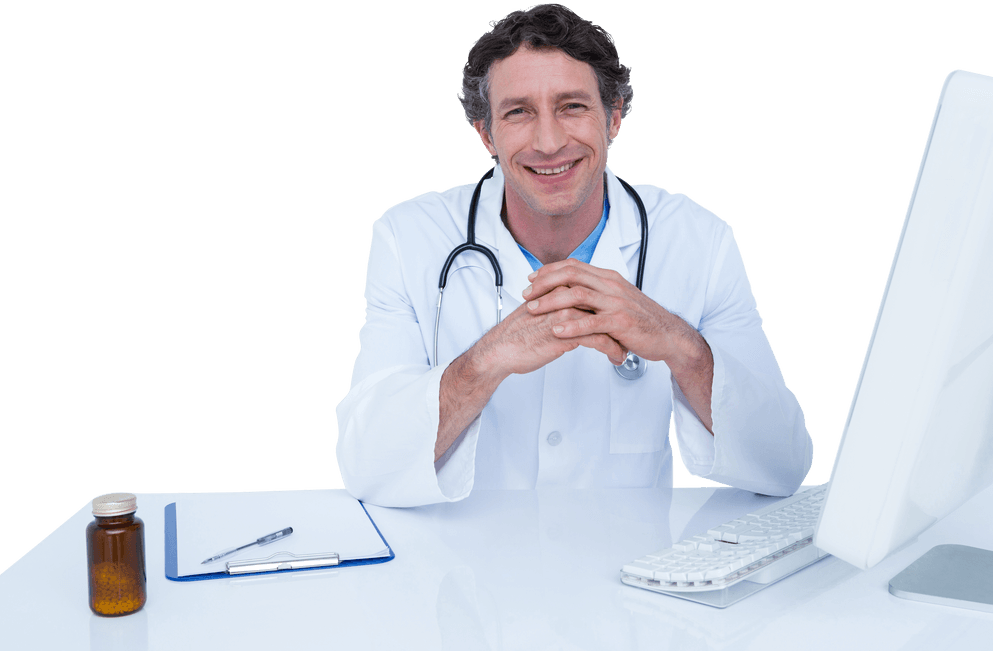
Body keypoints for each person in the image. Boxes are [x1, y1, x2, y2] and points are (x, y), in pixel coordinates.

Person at [334, 4, 813, 506]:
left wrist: (677, 343)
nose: (549, 141)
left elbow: (783, 464)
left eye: (573, 106)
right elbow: (367, 467)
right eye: (518, 112)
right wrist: (484, 361)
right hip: (458, 577)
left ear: (614, 117)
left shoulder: (698, 239)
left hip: (631, 573)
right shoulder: (409, 237)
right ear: (485, 133)